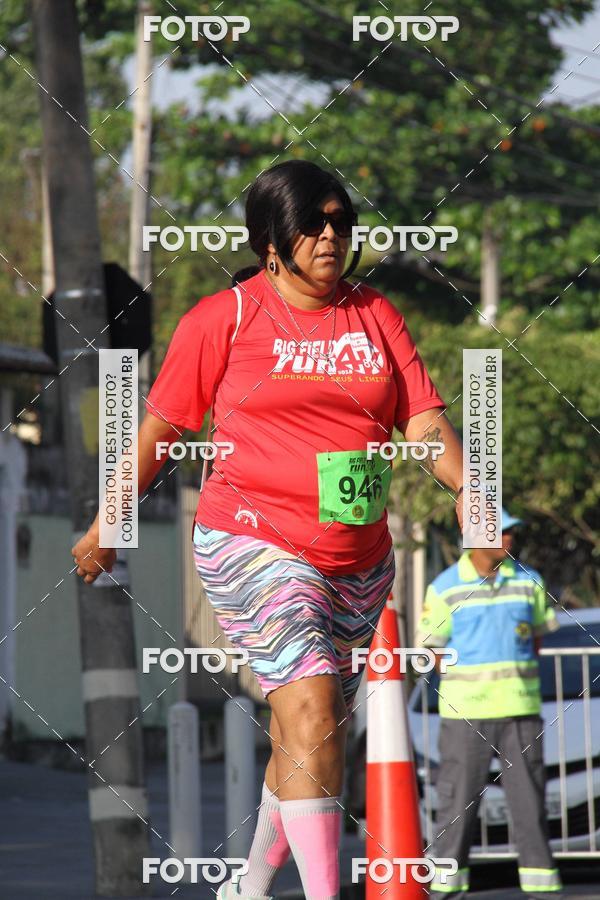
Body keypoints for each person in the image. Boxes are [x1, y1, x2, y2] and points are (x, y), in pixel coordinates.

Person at [72, 160, 465, 900]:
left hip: (356, 556)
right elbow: (161, 428)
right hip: (253, 539)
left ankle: (247, 887)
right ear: (270, 242)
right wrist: (110, 520)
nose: (330, 236)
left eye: (342, 222)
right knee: (313, 706)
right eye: (312, 223)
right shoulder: (226, 318)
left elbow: (423, 417)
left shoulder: (375, 313)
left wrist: (474, 491)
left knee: (308, 734)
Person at [416, 509, 563, 900]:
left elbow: (536, 638)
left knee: (530, 808)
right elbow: (429, 650)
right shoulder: (445, 587)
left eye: (512, 532)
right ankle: (447, 890)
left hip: (519, 712)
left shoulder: (530, 581)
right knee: (457, 810)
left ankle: (543, 889)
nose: (510, 539)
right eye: (502, 532)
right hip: (466, 716)